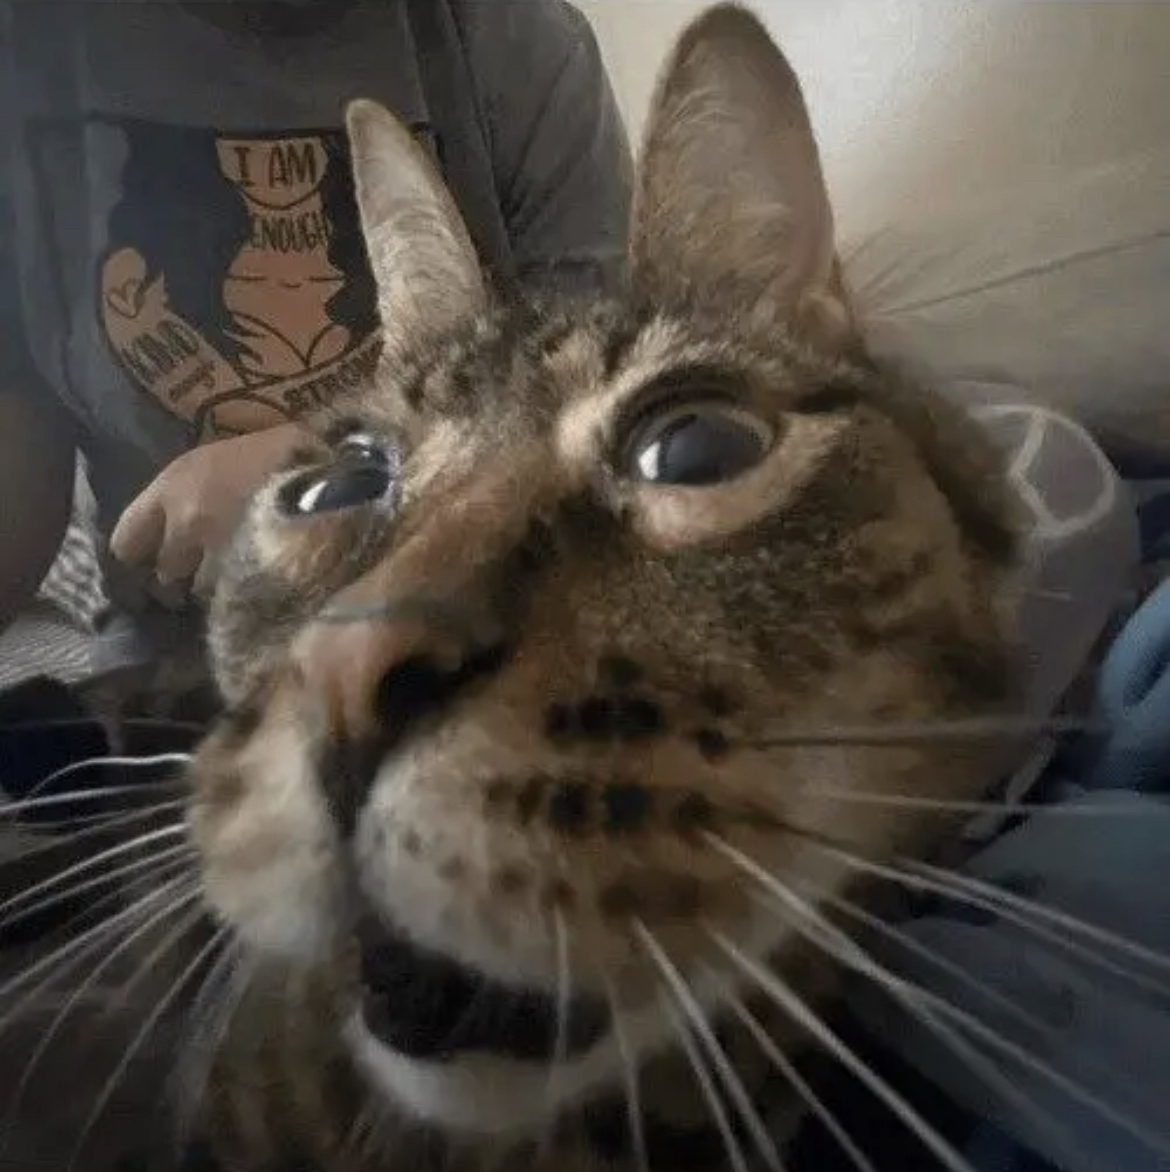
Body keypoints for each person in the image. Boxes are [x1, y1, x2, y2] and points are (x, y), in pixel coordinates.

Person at [0, 0, 632, 667]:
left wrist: (327, 476)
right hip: (172, 655)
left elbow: (594, 435)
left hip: (472, 630)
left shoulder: (518, 46)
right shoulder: (27, 42)